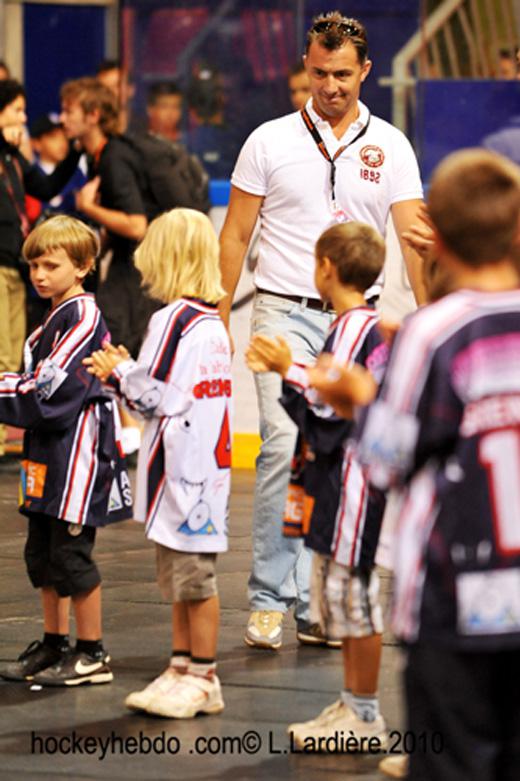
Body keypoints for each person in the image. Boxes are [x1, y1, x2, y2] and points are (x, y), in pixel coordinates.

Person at [219, 10, 425, 650]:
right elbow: (234, 234)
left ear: (365, 71)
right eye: (317, 73)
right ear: (303, 69)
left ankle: (315, 604)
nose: (329, 87)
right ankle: (267, 599)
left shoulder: (391, 145)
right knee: (282, 447)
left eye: (341, 74)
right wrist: (211, 314)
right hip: (280, 312)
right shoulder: (267, 140)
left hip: (354, 325)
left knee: (335, 460)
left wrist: (429, 321)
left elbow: (415, 242)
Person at [356, 148, 520, 781]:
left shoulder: (434, 331)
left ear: (437, 237)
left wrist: (359, 403)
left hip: (456, 608)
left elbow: (383, 460)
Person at [85, 208, 232, 719]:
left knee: (192, 579)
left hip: (181, 475)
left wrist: (116, 369)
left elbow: (156, 397)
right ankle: (181, 666)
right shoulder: (212, 323)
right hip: (204, 474)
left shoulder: (173, 320)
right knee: (183, 574)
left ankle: (203, 674)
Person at [246, 222, 389, 748]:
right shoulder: (356, 324)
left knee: (356, 599)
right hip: (344, 477)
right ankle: (354, 703)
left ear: (325, 268)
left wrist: (290, 370)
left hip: (351, 480)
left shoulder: (353, 328)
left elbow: (335, 403)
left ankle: (366, 713)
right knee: (345, 598)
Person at [0, 215, 132, 686]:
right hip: (46, 450)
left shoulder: (83, 317)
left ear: (82, 267)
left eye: (51, 265)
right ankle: (54, 643)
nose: (38, 274)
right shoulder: (48, 323)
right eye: (34, 264)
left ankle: (92, 652)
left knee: (71, 552)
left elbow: (48, 393)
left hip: (77, 451)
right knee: (42, 551)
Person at [0, 80, 82, 459]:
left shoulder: (13, 157)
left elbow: (46, 186)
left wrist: (75, 152)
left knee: (9, 354)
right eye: (17, 109)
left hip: (14, 266)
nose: (23, 118)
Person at [60, 77, 154, 358]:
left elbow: (138, 226)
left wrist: (89, 208)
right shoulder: (97, 156)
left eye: (68, 111)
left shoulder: (114, 158)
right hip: (128, 265)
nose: (62, 119)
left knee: (116, 346)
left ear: (93, 115)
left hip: (137, 270)